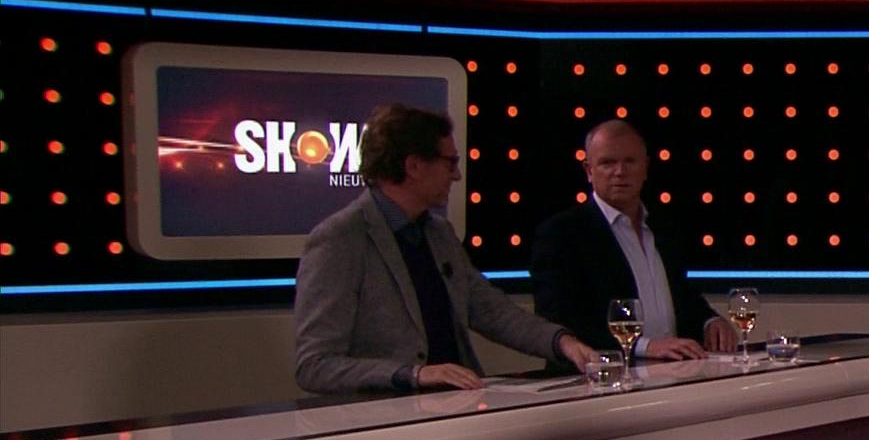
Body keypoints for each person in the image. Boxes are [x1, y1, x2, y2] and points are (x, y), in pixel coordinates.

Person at [293, 104, 597, 393]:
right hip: (385, 420)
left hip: (458, 409)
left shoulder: (439, 233)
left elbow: (492, 311)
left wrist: (562, 342)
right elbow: (315, 365)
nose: (457, 175)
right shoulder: (340, 238)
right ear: (414, 166)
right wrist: (412, 375)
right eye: (450, 163)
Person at [529, 120, 734, 362]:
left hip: (673, 374)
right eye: (608, 163)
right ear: (588, 170)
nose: (620, 172)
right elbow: (559, 320)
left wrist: (710, 320)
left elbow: (681, 296)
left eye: (629, 161)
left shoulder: (663, 225)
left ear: (645, 167)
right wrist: (644, 346)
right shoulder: (561, 234)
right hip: (600, 377)